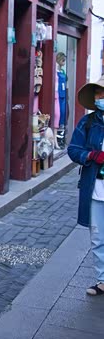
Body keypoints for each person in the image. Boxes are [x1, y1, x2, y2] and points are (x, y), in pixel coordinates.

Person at [67, 77, 104, 296]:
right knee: (98, 238)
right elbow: (73, 149)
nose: (101, 97)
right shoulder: (88, 123)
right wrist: (90, 155)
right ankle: (102, 280)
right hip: (95, 190)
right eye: (99, 93)